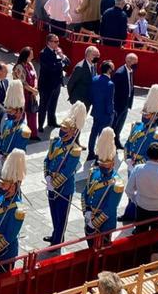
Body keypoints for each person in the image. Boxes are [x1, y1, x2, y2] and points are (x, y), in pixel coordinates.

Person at [44, 104, 85, 245]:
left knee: (61, 216)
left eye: (65, 129)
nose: (61, 131)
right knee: (54, 213)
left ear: (73, 132)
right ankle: (55, 233)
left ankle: (58, 240)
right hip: (51, 184)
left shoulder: (74, 150)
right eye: (61, 128)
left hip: (64, 188)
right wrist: (47, 176)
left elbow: (67, 171)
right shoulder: (55, 142)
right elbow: (47, 159)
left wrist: (54, 184)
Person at [0, 149, 27, 276]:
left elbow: (9, 236)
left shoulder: (18, 210)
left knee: (3, 281)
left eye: (5, 185)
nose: (2, 187)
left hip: (5, 252)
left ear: (13, 186)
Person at [83, 128, 125, 241]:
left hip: (104, 225)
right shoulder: (94, 172)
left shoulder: (117, 183)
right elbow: (85, 193)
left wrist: (94, 224)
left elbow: (110, 209)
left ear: (113, 163)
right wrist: (86, 211)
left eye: (106, 165)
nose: (103, 167)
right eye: (101, 164)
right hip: (90, 217)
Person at [37, 34, 69, 131]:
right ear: (49, 42)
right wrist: (61, 63)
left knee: (53, 103)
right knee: (43, 105)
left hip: (57, 83)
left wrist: (62, 56)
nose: (57, 43)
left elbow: (68, 62)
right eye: (55, 41)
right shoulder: (43, 53)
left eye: (58, 41)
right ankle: (40, 125)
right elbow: (51, 67)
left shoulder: (58, 52)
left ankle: (52, 121)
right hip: (47, 84)